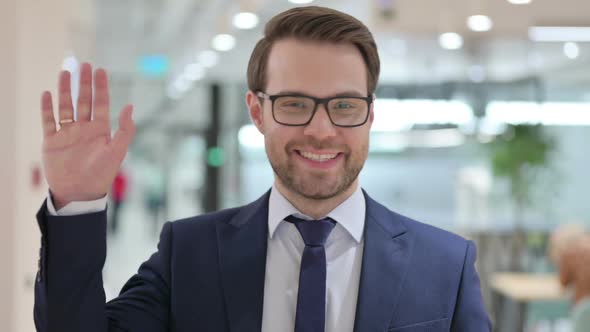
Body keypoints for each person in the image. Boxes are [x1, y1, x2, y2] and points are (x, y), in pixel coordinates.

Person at [34, 6, 491, 332]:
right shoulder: (189, 254)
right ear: (256, 111)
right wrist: (76, 205)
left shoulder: (445, 267)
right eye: (295, 104)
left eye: (345, 106)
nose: (321, 130)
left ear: (370, 113)